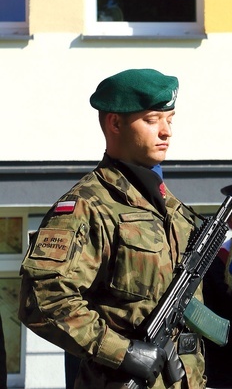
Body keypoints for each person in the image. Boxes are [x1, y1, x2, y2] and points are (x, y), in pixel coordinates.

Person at [18, 68, 206, 388]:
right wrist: (122, 352)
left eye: (170, 119)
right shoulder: (88, 206)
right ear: (115, 123)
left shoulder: (171, 208)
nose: (166, 132)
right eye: (152, 120)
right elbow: (44, 299)